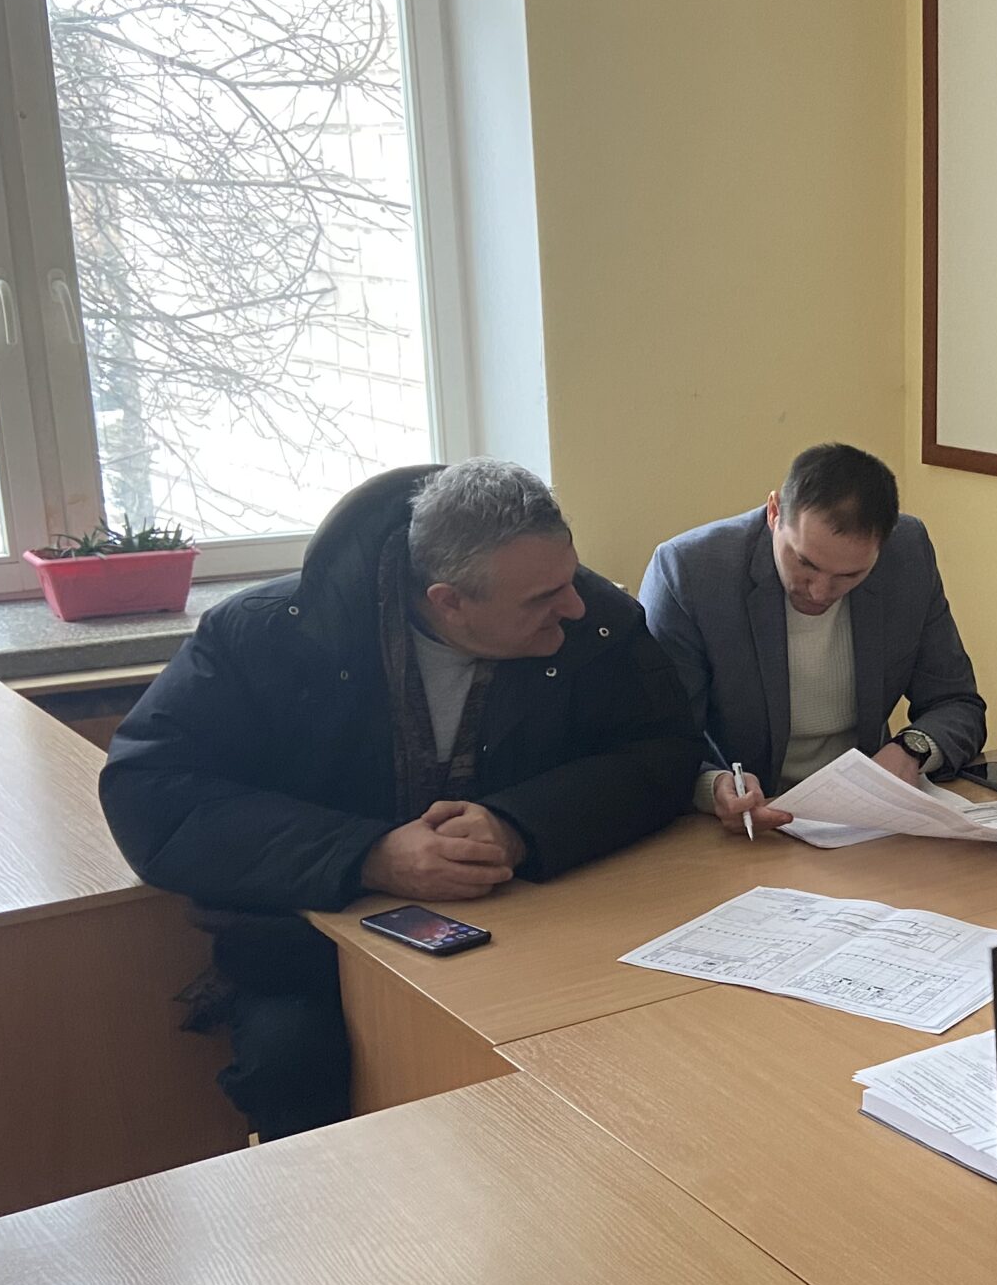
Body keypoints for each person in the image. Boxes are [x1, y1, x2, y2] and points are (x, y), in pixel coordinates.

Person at [100, 460, 699, 1139]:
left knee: (623, 1066)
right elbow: (150, 792)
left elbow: (661, 752)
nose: (576, 607)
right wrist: (369, 854)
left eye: (571, 576)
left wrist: (518, 825)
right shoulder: (265, 636)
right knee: (293, 1065)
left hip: (548, 927)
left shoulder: (596, 624)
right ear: (449, 601)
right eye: (542, 597)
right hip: (312, 948)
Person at [639, 442, 985, 835]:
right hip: (742, 826)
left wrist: (910, 750)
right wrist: (713, 786)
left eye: (850, 575)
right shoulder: (689, 572)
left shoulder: (908, 554)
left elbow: (957, 703)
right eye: (805, 563)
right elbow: (656, 742)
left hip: (864, 821)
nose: (820, 592)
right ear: (774, 513)